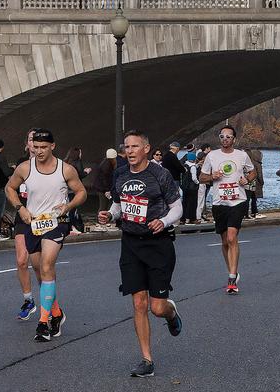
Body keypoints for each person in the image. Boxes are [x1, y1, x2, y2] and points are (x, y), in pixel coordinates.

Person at [97, 130, 183, 378]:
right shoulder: (121, 174)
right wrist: (110, 215)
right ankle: (147, 360)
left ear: (146, 148)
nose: (131, 151)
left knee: (157, 308)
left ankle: (171, 312)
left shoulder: (160, 174)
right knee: (138, 303)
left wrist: (164, 221)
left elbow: (177, 207)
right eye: (127, 147)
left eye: (135, 146)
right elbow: (118, 203)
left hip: (158, 244)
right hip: (131, 243)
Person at [5, 128, 86, 342]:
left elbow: (82, 192)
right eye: (36, 147)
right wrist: (20, 208)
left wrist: (67, 207)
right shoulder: (25, 168)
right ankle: (57, 313)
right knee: (40, 272)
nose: (39, 151)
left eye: (43, 147)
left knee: (48, 266)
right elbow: (10, 188)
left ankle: (43, 322)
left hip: (56, 222)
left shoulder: (65, 169)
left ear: (53, 146)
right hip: (33, 223)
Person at [199, 125, 255, 294]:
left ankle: (232, 279)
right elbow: (201, 178)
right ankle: (232, 269)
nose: (225, 139)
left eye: (228, 137)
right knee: (224, 241)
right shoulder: (212, 156)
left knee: (232, 237)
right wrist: (212, 177)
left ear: (234, 139)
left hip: (238, 200)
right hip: (219, 202)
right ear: (219, 138)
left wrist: (246, 179)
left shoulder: (242, 155)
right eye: (222, 136)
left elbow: (253, 172)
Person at [12, 128, 40, 320]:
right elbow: (10, 189)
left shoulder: (52, 166)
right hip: (23, 217)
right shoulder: (20, 166)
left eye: (38, 140)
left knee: (39, 265)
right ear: (27, 143)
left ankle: (49, 300)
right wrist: (19, 207)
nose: (34, 143)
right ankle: (28, 300)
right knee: (22, 260)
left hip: (43, 220)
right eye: (31, 139)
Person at [65, 147, 92, 234]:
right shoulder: (78, 162)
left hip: (65, 189)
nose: (81, 154)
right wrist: (86, 172)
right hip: (74, 190)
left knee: (69, 209)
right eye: (80, 153)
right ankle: (73, 227)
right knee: (73, 209)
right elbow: (80, 175)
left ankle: (70, 226)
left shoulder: (66, 162)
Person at [245, 148, 265, 219]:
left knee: (247, 199)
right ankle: (254, 212)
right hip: (255, 184)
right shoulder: (258, 164)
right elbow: (259, 175)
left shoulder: (249, 163)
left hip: (248, 183)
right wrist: (262, 182)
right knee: (254, 199)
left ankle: (248, 213)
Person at [179, 151, 199, 224]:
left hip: (184, 187)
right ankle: (192, 218)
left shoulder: (184, 165)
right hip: (192, 188)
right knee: (193, 203)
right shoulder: (193, 167)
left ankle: (182, 219)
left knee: (184, 202)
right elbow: (194, 178)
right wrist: (198, 182)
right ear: (194, 158)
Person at [196, 144, 213, 221]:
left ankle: (200, 215)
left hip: (203, 184)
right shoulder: (200, 167)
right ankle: (199, 216)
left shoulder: (198, 166)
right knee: (201, 200)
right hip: (202, 184)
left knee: (201, 200)